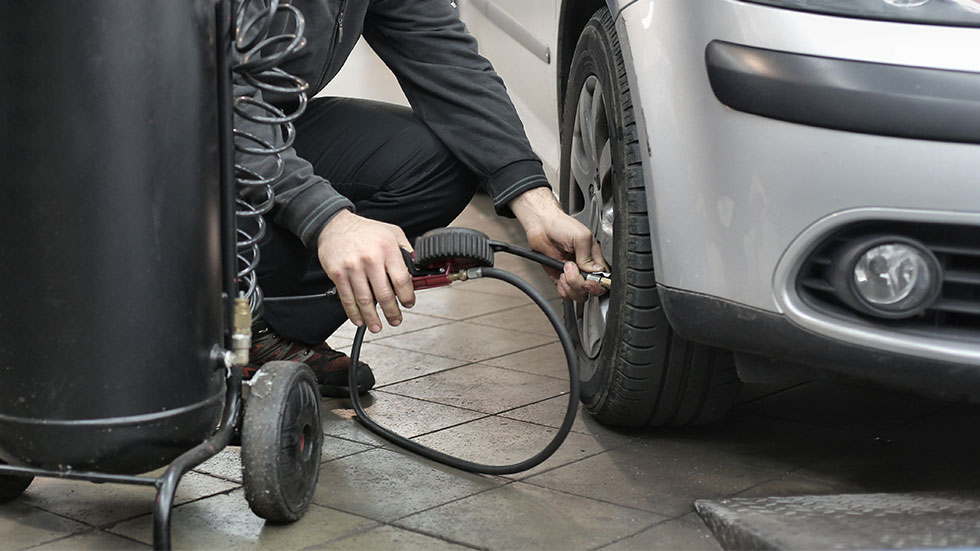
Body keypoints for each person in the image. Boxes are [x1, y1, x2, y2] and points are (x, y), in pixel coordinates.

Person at [237, 0, 608, 397]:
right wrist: (329, 220)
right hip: (184, 145)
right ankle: (197, 320)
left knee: (439, 162)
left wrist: (534, 202)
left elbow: (447, 62)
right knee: (272, 206)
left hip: (266, 122)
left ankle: (263, 329)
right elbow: (201, 100)